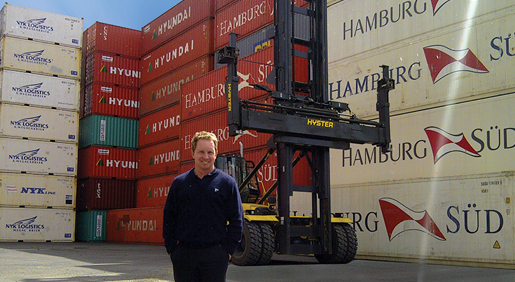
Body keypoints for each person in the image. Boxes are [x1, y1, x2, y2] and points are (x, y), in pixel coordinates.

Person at [163, 131, 244, 282]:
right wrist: (172, 249)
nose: (205, 157)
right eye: (201, 152)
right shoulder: (179, 183)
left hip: (215, 255)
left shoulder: (227, 184)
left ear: (216, 154)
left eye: (210, 152)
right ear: (193, 152)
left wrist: (227, 251)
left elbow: (237, 219)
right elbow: (169, 217)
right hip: (184, 255)